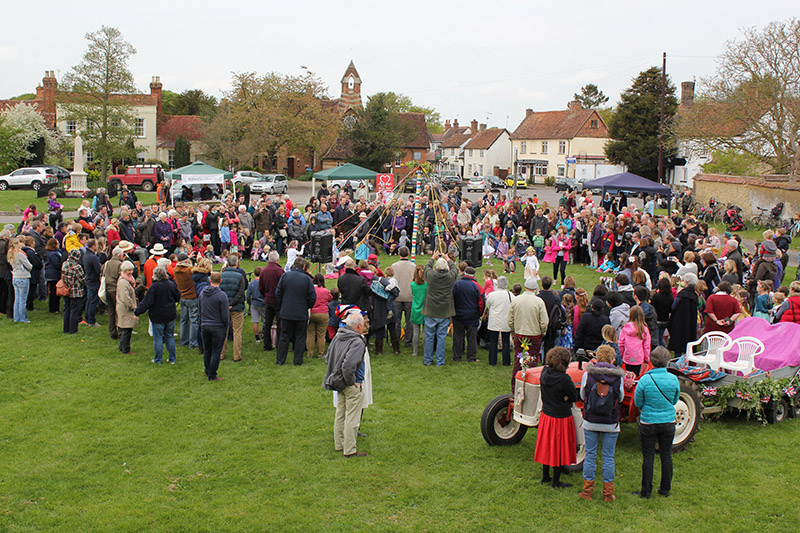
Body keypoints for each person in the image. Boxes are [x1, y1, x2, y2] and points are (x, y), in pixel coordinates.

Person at [579, 345, 625, 502]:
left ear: (597, 358)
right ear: (613, 359)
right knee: (608, 457)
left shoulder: (588, 374)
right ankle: (608, 494)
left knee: (590, 455)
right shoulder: (618, 376)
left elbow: (582, 394)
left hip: (591, 420)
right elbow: (621, 397)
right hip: (611, 422)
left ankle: (587, 492)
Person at [323, 307, 370, 458]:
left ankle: (339, 444)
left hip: (338, 382)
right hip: (351, 382)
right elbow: (349, 365)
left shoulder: (338, 336)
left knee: (340, 413)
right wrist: (351, 381)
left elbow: (328, 357)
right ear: (358, 326)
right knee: (352, 417)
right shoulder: (357, 341)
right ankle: (350, 449)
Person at [634, 346, 680, 498]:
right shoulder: (674, 379)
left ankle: (646, 491)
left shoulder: (645, 379)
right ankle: (665, 489)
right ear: (667, 362)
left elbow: (638, 401)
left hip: (649, 421)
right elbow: (674, 400)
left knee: (648, 457)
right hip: (668, 422)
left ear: (652, 362)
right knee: (666, 455)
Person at [535, 347, 578, 489]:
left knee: (547, 446)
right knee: (559, 448)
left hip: (547, 414)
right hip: (561, 417)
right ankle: (556, 482)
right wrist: (565, 398)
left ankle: (546, 476)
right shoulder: (564, 379)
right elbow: (573, 396)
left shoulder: (544, 372)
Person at [508, 277, 549, 387]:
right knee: (532, 360)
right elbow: (544, 322)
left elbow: (510, 319)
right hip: (534, 335)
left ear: (525, 287)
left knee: (518, 359)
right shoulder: (539, 302)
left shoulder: (517, 300)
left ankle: (516, 384)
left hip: (521, 333)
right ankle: (529, 384)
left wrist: (513, 330)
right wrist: (542, 332)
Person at [135, 266, 180, 364]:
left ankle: (158, 360)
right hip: (170, 314)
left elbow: (146, 302)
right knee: (169, 336)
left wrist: (137, 312)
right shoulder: (171, 285)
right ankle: (172, 359)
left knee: (158, 338)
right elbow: (178, 296)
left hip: (158, 315)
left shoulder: (154, 287)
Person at [275, 258, 316, 366]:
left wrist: (282, 305)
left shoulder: (285, 276)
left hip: (286, 311)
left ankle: (280, 360)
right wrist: (307, 306)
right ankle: (297, 361)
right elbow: (313, 297)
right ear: (303, 267)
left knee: (284, 337)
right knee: (300, 337)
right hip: (301, 312)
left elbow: (278, 293)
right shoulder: (307, 279)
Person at [422, 252, 457, 367]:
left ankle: (428, 360)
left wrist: (433, 258)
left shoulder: (431, 276)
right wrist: (448, 259)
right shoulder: (450, 277)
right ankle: (440, 361)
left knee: (430, 336)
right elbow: (455, 269)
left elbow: (426, 267)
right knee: (441, 337)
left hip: (431, 309)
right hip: (444, 310)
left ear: (436, 267)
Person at [199, 272, 229, 381]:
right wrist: (226, 325)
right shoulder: (222, 296)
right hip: (217, 326)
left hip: (205, 325)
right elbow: (225, 314)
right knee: (216, 351)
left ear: (210, 280)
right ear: (220, 281)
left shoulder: (202, 293)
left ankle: (207, 371)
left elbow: (200, 309)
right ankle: (212, 375)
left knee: (207, 350)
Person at [451, 266, 484, 363]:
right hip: (472, 315)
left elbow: (452, 297)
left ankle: (457, 356)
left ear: (464, 273)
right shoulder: (477, 286)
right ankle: (471, 357)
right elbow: (481, 301)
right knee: (472, 336)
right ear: (474, 275)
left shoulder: (457, 284)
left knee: (458, 336)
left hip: (458, 314)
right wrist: (479, 313)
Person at [219, 255, 247, 362]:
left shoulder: (221, 275)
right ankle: (237, 355)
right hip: (237, 306)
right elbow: (241, 292)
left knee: (223, 331)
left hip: (224, 306)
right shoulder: (240, 276)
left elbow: (219, 291)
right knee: (237, 331)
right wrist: (232, 303)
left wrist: (227, 303)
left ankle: (221, 353)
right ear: (236, 263)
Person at [484, 276, 513, 366]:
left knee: (493, 341)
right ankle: (506, 361)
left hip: (494, 320)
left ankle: (492, 361)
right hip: (505, 321)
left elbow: (488, 305)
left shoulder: (492, 295)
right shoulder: (511, 296)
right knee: (506, 341)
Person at [258, 251, 284, 351]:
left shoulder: (264, 271)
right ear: (277, 260)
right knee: (279, 323)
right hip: (277, 301)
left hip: (268, 299)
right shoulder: (279, 271)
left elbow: (260, 287)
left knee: (267, 323)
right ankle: (278, 344)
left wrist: (265, 295)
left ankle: (267, 344)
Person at [667, 273, 699, 354]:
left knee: (678, 343)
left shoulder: (682, 294)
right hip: (690, 321)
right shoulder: (694, 295)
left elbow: (673, 306)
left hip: (679, 320)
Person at [174, 253, 199, 349]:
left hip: (182, 297)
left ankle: (184, 340)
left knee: (183, 320)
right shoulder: (190, 271)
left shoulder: (176, 270)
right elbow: (198, 267)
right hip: (192, 297)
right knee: (193, 320)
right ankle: (193, 342)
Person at [391, 246, 415, 347]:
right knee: (410, 321)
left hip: (397, 296)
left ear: (399, 254)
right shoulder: (413, 266)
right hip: (409, 296)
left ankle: (396, 340)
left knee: (397, 320)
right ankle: (408, 341)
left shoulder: (394, 266)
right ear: (408, 254)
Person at [619, 306, 651, 376]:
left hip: (627, 356)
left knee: (627, 375)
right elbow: (647, 346)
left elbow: (621, 343)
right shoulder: (644, 330)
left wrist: (621, 355)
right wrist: (647, 358)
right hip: (638, 357)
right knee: (636, 375)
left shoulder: (625, 328)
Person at [61, 249, 86, 333]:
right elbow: (82, 279)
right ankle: (73, 329)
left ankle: (66, 328)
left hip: (65, 289)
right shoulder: (77, 267)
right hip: (75, 291)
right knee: (74, 311)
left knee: (67, 309)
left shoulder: (64, 264)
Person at [116, 260, 138, 354]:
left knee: (126, 328)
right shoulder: (123, 282)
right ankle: (126, 349)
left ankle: (122, 347)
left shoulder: (126, 280)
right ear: (124, 270)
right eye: (128, 270)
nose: (130, 272)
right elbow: (125, 298)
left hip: (124, 307)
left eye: (131, 270)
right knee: (127, 330)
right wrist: (132, 306)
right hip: (125, 308)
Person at [308, 273, 332, 358]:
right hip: (323, 313)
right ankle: (320, 353)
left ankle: (310, 353)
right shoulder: (325, 291)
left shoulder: (311, 289)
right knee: (321, 335)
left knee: (310, 334)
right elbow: (330, 298)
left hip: (312, 312)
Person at [9, 238, 32, 323]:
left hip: (15, 276)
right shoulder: (20, 254)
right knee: (22, 300)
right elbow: (29, 266)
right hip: (22, 276)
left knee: (17, 299)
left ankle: (16, 318)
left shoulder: (10, 253)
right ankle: (23, 319)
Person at [82, 239, 102, 327]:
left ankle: (88, 318)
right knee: (93, 301)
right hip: (94, 280)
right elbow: (98, 270)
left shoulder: (86, 255)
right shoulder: (93, 257)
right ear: (93, 246)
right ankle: (91, 321)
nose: (97, 246)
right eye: (97, 244)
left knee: (89, 300)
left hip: (89, 279)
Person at [409, 265, 428, 357]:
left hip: (415, 309)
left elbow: (413, 294)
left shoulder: (412, 284)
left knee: (416, 331)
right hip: (425, 309)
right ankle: (425, 350)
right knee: (425, 331)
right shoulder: (426, 285)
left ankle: (415, 351)